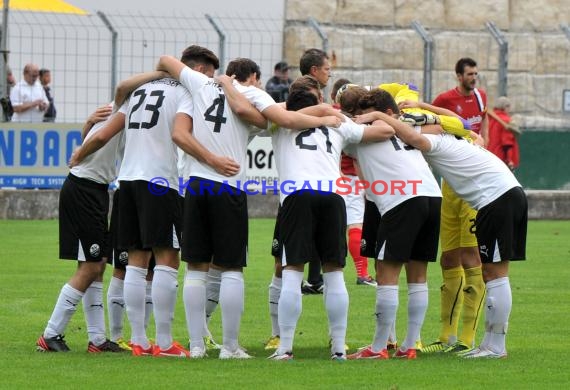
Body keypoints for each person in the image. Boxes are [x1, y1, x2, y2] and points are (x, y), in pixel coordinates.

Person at [156, 50, 340, 360]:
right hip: (228, 183)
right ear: (252, 78)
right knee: (231, 269)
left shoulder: (198, 86)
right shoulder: (254, 94)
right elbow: (283, 118)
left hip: (196, 184)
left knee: (196, 269)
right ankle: (229, 347)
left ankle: (197, 346)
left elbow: (165, 65)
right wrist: (328, 113)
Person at [69, 57, 238, 358]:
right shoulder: (187, 92)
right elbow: (179, 135)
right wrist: (213, 159)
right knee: (167, 259)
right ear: (197, 70)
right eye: (209, 75)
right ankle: (164, 343)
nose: (210, 82)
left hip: (127, 183)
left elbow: (105, 134)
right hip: (159, 183)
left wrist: (80, 153)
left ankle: (138, 341)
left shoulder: (139, 90)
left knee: (135, 260)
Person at [357, 107, 527, 359]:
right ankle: (490, 344)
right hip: (503, 197)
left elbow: (414, 138)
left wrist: (382, 117)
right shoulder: (458, 138)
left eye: (412, 124)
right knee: (491, 272)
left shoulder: (437, 141)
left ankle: (496, 346)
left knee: (495, 274)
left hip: (497, 200)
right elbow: (454, 120)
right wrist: (428, 109)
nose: (406, 130)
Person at [344, 88, 442, 360]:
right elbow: (437, 125)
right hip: (432, 195)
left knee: (387, 274)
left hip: (402, 199)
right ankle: (409, 346)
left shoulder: (361, 131)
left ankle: (377, 349)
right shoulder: (404, 126)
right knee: (418, 276)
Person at [36, 104, 127, 354]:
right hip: (84, 189)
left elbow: (92, 134)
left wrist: (87, 124)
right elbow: (98, 138)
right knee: (89, 267)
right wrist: (78, 153)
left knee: (97, 264)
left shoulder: (117, 106)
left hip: (95, 190)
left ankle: (97, 340)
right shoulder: (126, 108)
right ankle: (50, 334)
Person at [421, 57, 488, 354]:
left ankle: (467, 338)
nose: (474, 78)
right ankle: (445, 337)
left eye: (476, 73)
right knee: (448, 259)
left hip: (473, 186)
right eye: (469, 74)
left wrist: (479, 139)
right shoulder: (444, 100)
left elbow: (478, 131)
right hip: (449, 183)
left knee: (472, 256)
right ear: (458, 75)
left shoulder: (480, 97)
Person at [332, 78, 376, 286]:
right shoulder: (358, 123)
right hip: (350, 178)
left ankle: (318, 277)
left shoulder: (331, 114)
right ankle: (362, 274)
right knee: (356, 225)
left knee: (333, 225)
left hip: (332, 176)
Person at [299, 48, 332, 294]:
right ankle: (303, 279)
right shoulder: (302, 98)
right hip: (306, 179)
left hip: (301, 183)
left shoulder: (290, 104)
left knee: (314, 233)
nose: (329, 73)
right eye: (327, 69)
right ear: (314, 70)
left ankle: (313, 279)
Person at [487, 96, 520, 171]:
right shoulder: (507, 121)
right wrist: (509, 160)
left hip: (489, 156)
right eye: (508, 107)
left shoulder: (489, 119)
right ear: (505, 107)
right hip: (502, 159)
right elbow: (507, 144)